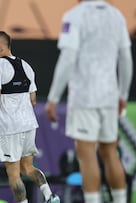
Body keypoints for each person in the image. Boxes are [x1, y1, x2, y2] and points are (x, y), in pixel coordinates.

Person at [45, 1, 133, 203]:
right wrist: (123, 94)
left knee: (86, 154)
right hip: (110, 97)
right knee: (110, 152)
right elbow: (126, 58)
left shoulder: (73, 16)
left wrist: (53, 98)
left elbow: (68, 58)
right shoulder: (117, 15)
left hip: (85, 97)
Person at [0, 31, 60, 203]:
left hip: (9, 127)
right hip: (29, 124)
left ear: (0, 45)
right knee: (28, 168)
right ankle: (50, 196)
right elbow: (33, 100)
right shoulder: (26, 66)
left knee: (13, 173)